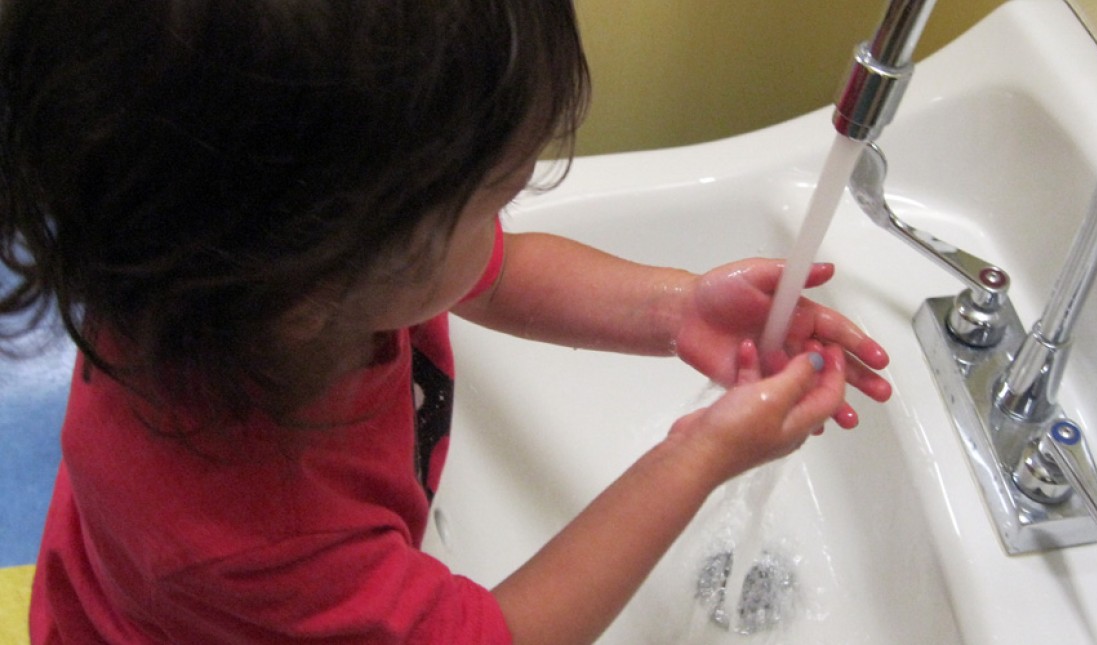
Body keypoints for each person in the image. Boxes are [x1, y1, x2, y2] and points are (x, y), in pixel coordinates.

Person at [0, 1, 891, 643]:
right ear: (321, 276)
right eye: (494, 195)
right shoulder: (255, 534)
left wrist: (673, 308)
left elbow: (490, 276)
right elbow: (499, 632)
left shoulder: (228, 278)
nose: (505, 217)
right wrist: (700, 454)